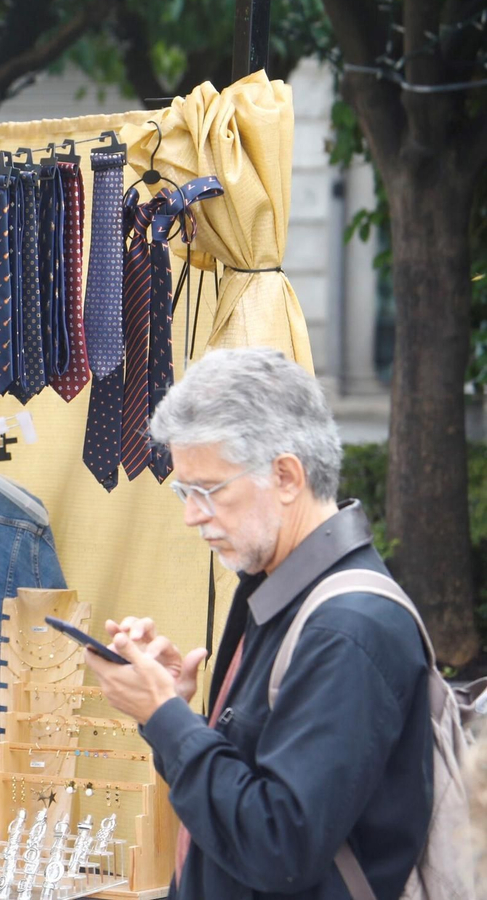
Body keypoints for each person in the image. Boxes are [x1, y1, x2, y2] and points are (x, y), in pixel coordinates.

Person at [85, 347, 433, 898]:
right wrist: (175, 708)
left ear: (287, 476)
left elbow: (277, 847)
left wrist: (166, 717)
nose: (191, 515)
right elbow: (252, 785)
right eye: (184, 491)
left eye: (208, 490)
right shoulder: (283, 584)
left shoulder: (348, 627)